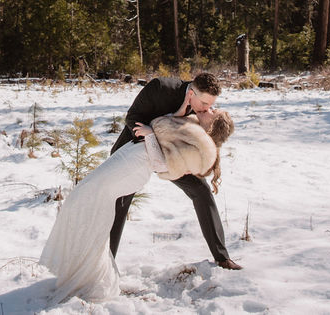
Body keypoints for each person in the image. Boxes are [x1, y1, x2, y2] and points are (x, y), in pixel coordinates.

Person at [40, 106, 234, 303]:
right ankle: (83, 268)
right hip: (130, 155)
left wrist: (149, 135)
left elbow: (162, 166)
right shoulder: (191, 124)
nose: (210, 107)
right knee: (84, 201)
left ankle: (91, 277)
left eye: (213, 111)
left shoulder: (199, 147)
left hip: (135, 165)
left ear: (212, 125)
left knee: (87, 200)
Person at [110, 73, 243, 271]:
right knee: (120, 202)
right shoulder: (160, 88)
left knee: (201, 191)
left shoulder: (200, 111)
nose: (207, 109)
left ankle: (222, 257)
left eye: (211, 105)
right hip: (134, 149)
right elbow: (132, 118)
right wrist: (152, 135)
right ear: (192, 92)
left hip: (171, 157)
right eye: (205, 103)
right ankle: (106, 260)